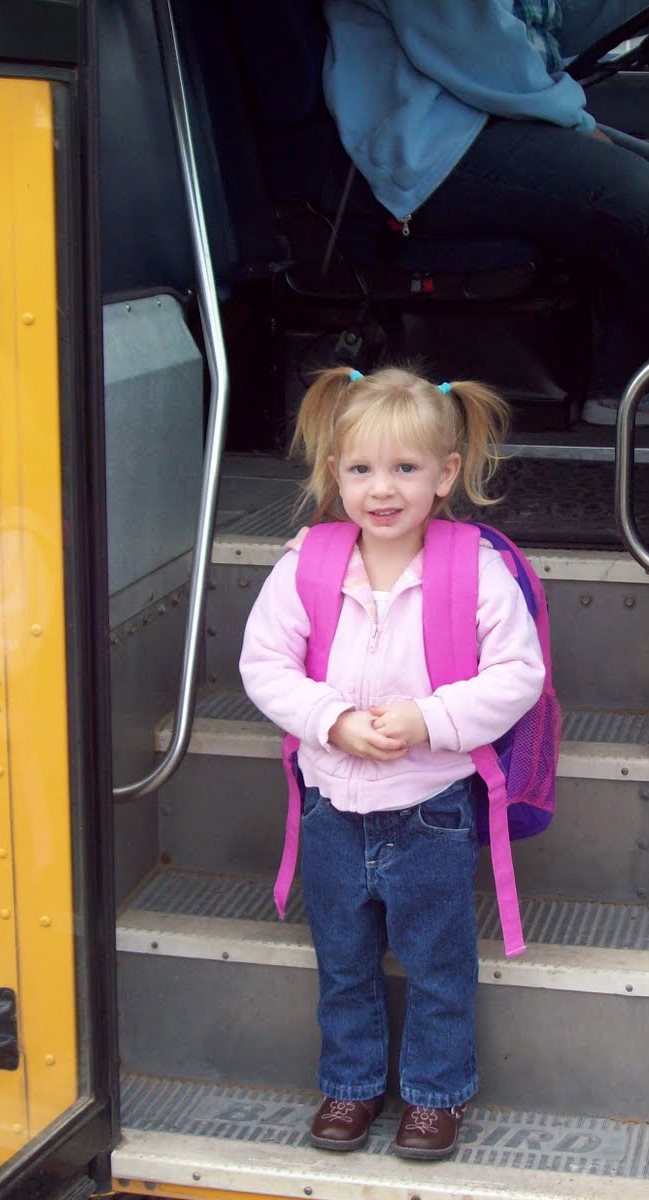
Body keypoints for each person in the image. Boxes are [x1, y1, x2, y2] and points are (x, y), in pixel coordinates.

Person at [238, 366, 546, 1159]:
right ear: (334, 473)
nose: (383, 489)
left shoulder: (473, 568)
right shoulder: (308, 564)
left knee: (439, 963)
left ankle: (435, 1095)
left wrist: (429, 720)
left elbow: (518, 674)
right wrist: (330, 721)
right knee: (342, 962)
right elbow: (265, 663)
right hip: (330, 808)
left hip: (431, 809)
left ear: (445, 476)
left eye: (406, 469)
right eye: (362, 468)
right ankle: (350, 1085)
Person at [321, 0, 649, 427]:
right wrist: (575, 123)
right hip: (428, 143)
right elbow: (476, 47)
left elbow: (555, 22)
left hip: (482, 116)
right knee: (642, 199)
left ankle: (627, 376)